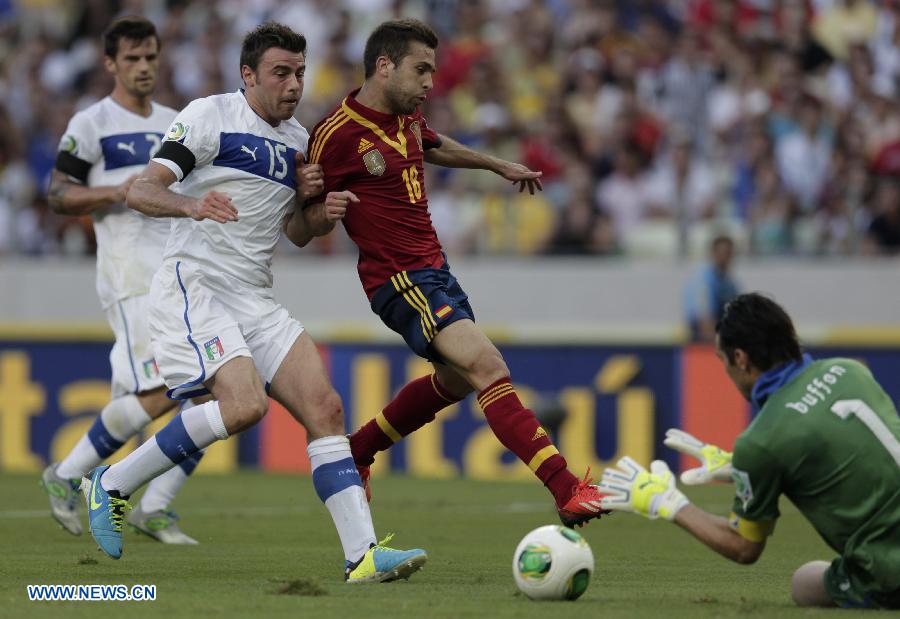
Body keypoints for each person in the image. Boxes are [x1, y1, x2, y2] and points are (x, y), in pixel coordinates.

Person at [87, 22, 426, 583]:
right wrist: (193, 207)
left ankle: (362, 557)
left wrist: (321, 207)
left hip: (254, 295)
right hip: (195, 283)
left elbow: (297, 232)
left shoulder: (299, 142)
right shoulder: (207, 115)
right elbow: (140, 192)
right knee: (245, 406)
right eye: (280, 73)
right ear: (248, 75)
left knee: (327, 411)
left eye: (299, 72)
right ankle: (113, 483)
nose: (294, 83)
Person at [294, 18, 606, 528]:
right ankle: (567, 488)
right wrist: (320, 213)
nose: (430, 83)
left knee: (458, 379)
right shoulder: (333, 135)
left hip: (436, 271)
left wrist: (495, 165)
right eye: (421, 70)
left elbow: (434, 145)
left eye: (433, 72)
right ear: (384, 65)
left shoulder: (407, 116)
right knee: (488, 366)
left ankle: (358, 451)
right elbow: (297, 228)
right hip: (398, 279)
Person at [598, 293, 900, 609]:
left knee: (805, 582)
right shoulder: (850, 370)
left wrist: (667, 502)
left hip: (890, 572)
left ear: (740, 358)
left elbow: (743, 547)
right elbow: (848, 447)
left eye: (722, 359)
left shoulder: (762, 441)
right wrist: (738, 469)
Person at [43, 16, 203, 545]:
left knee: (216, 392)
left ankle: (153, 506)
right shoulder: (92, 122)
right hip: (130, 273)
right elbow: (57, 193)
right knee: (161, 390)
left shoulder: (177, 121)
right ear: (110, 63)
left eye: (150, 57)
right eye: (131, 58)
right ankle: (66, 477)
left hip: (179, 274)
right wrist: (116, 191)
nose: (143, 67)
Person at [683, 234, 739, 343]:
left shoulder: (728, 282)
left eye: (728, 253)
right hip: (702, 343)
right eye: (721, 253)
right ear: (713, 253)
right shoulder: (703, 281)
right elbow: (705, 322)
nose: (725, 257)